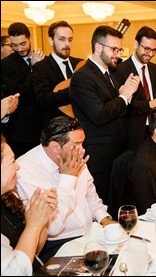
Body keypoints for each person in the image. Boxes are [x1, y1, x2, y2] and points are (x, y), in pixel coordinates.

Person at [16, 116, 115, 263]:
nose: (82, 150)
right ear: (55, 146)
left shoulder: (73, 155)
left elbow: (90, 195)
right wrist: (68, 178)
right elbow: (53, 228)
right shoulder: (25, 172)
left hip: (90, 234)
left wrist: (104, 219)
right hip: (57, 245)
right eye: (77, 144)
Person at [69, 25, 139, 204]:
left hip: (117, 151)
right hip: (99, 156)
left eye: (119, 49)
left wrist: (125, 96)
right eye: (114, 49)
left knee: (117, 203)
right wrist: (124, 96)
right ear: (98, 47)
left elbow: (118, 109)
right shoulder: (82, 77)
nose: (118, 54)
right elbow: (99, 115)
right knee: (100, 206)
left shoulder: (112, 75)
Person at [1, 134, 58, 276]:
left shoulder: (7, 197)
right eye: (12, 161)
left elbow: (34, 250)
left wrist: (40, 218)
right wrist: (33, 225)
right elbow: (15, 272)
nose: (18, 166)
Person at [114, 26, 156, 152]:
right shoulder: (120, 70)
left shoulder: (155, 70)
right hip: (133, 132)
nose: (150, 54)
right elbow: (124, 105)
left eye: (154, 50)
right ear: (136, 44)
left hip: (155, 129)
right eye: (147, 49)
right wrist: (152, 103)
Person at [1, 22, 45, 158]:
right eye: (14, 45)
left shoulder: (44, 60)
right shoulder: (6, 64)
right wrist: (34, 69)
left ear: (30, 39)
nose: (19, 48)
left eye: (23, 44)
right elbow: (20, 94)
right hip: (22, 132)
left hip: (44, 128)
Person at [32, 20, 84, 127]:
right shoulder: (40, 67)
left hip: (83, 125)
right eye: (62, 39)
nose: (67, 44)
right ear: (51, 40)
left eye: (70, 40)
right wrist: (75, 89)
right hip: (57, 129)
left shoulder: (81, 64)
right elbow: (44, 100)